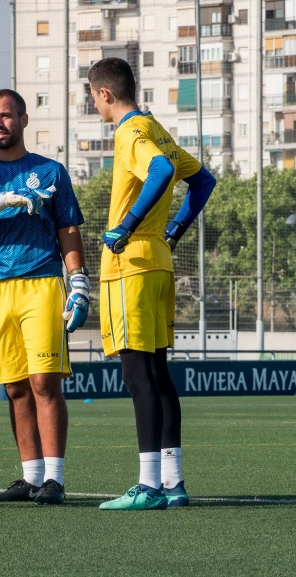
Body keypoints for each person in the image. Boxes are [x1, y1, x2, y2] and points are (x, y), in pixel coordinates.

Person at [0, 89, 90, 505]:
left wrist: (78, 278)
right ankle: (30, 479)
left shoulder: (50, 171)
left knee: (44, 382)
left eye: (6, 116)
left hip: (41, 283)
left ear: (24, 120)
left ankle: (55, 480)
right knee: (14, 388)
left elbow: (68, 228)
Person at [86, 57, 216, 510]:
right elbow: (202, 180)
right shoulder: (157, 126)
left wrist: (127, 225)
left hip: (130, 266)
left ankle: (147, 486)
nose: (94, 104)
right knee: (159, 375)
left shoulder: (129, 132)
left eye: (92, 96)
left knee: (137, 374)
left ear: (103, 94)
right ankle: (173, 482)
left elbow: (160, 172)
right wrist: (176, 230)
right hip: (159, 262)